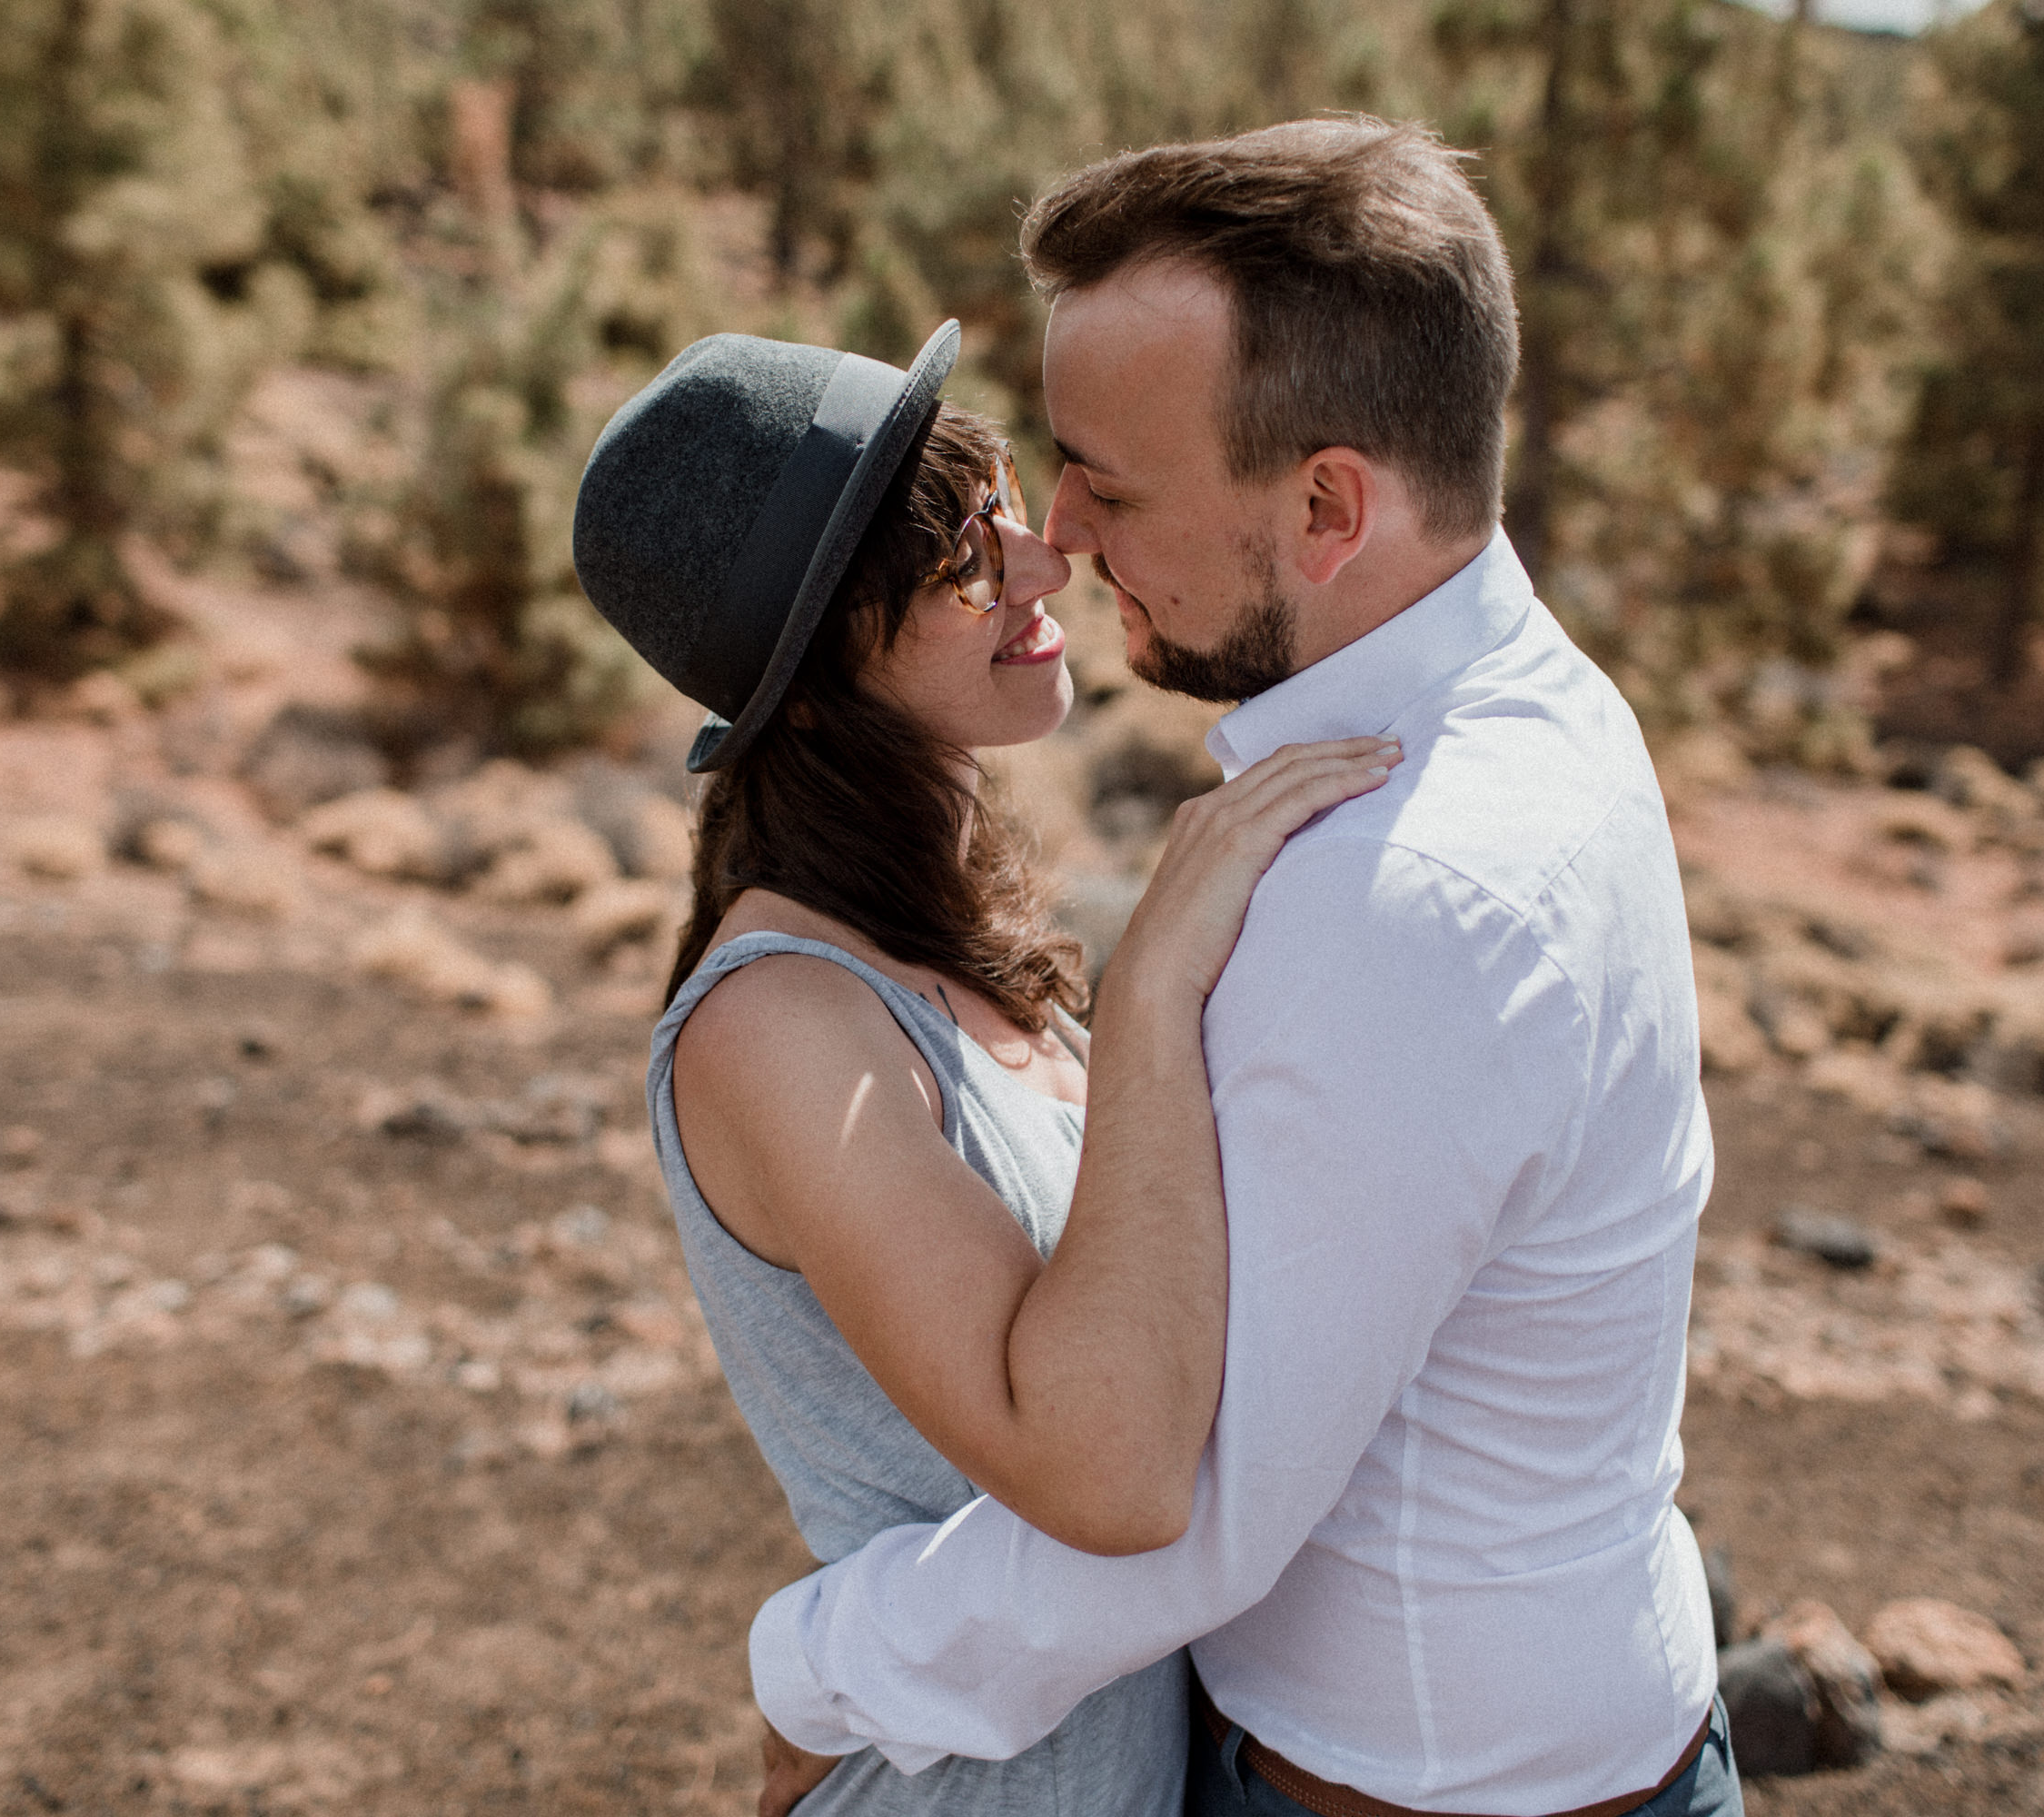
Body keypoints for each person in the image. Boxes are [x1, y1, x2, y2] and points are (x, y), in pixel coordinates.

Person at [743, 118, 1739, 1817]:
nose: (1057, 533)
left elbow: (1185, 1501)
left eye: (1112, 485)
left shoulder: (1403, 893)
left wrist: (816, 1666)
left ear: (1330, 503)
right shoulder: (1534, 701)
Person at [570, 320, 1401, 1816]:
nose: (1038, 566)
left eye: (1000, 497)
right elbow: (1110, 1477)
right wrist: (1150, 993)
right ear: (812, 690)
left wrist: (826, 1664)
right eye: (958, 564)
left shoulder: (949, 944)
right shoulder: (785, 1025)